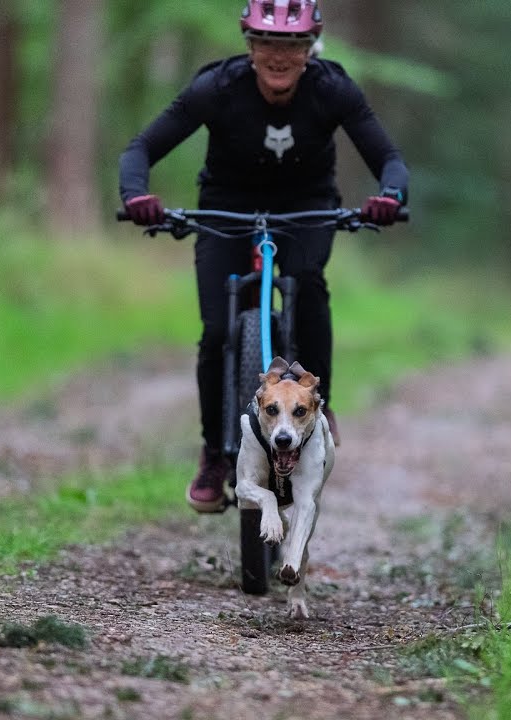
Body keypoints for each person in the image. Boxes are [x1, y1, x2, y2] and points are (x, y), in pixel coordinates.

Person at [118, 0, 409, 513]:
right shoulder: (218, 88)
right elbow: (140, 149)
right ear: (249, 47)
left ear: (309, 50)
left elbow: (388, 158)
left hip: (306, 207)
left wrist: (389, 197)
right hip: (227, 207)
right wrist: (137, 195)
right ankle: (213, 454)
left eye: (292, 47)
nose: (279, 57)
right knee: (215, 330)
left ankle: (319, 404)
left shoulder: (332, 89)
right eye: (267, 44)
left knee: (308, 284)